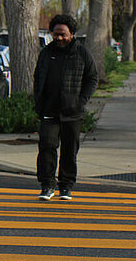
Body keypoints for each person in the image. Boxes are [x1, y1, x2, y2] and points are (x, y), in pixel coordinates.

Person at [33, 14, 98, 201]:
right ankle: (47, 186)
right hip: (49, 110)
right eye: (56, 34)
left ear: (72, 34)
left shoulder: (82, 53)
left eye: (63, 34)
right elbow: (38, 78)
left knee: (69, 151)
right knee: (47, 147)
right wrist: (39, 101)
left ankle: (66, 186)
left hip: (72, 112)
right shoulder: (46, 53)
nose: (59, 38)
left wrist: (81, 101)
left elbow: (92, 78)